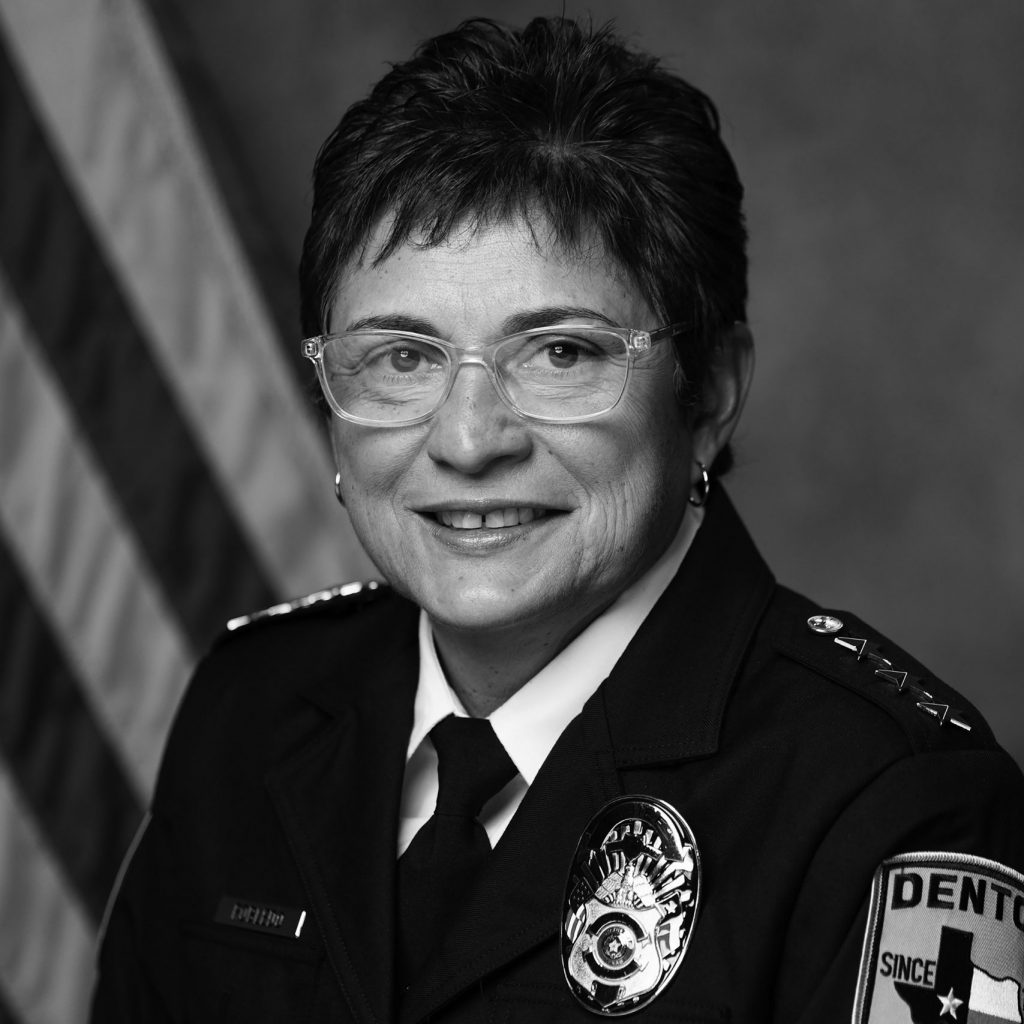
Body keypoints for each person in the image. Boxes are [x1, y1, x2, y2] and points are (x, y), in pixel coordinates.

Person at [90, 16, 1024, 1024]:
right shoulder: (253, 712)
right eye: (401, 357)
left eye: (561, 353)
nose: (467, 440)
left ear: (709, 392)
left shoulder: (890, 805)